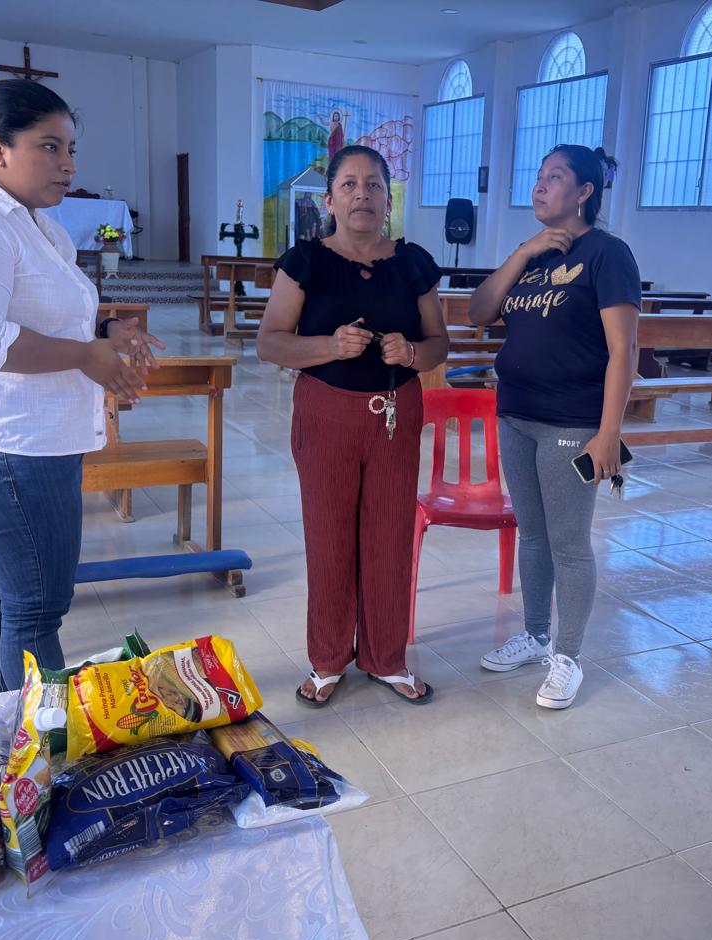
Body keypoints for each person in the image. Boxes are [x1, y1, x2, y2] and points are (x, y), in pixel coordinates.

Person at [0, 79, 163, 696]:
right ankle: (40, 742)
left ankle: (0, 720)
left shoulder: (39, 225)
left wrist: (105, 330)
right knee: (37, 606)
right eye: (50, 147)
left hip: (33, 442)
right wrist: (86, 356)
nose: (69, 165)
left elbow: (47, 310)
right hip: (5, 447)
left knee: (5, 591)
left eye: (71, 149)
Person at [256, 144, 448, 707]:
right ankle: (327, 658)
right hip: (326, 413)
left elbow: (439, 343)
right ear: (330, 200)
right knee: (329, 537)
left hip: (394, 413)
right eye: (349, 184)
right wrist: (329, 345)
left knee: (390, 534)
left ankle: (387, 658)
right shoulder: (305, 262)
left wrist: (412, 353)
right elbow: (270, 343)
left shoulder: (414, 264)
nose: (362, 194)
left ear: (388, 199)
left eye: (373, 185)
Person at [467, 145, 639, 710]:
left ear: (585, 191)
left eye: (554, 178)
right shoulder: (535, 253)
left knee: (568, 541)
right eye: (538, 177)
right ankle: (536, 634)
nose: (539, 187)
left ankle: (568, 656)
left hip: (572, 420)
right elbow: (478, 311)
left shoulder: (607, 254)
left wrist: (608, 432)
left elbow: (624, 350)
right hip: (516, 414)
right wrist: (523, 251)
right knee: (533, 533)